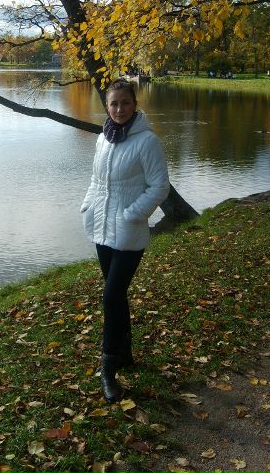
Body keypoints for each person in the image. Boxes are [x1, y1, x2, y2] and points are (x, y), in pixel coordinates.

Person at [80, 79, 170, 402]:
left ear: (135, 105)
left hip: (129, 233)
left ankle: (108, 369)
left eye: (125, 103)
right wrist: (87, 204)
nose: (119, 109)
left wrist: (133, 214)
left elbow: (160, 187)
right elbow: (96, 179)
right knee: (116, 296)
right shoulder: (103, 138)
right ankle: (126, 352)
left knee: (110, 296)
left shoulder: (147, 142)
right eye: (114, 103)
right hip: (102, 230)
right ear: (107, 106)